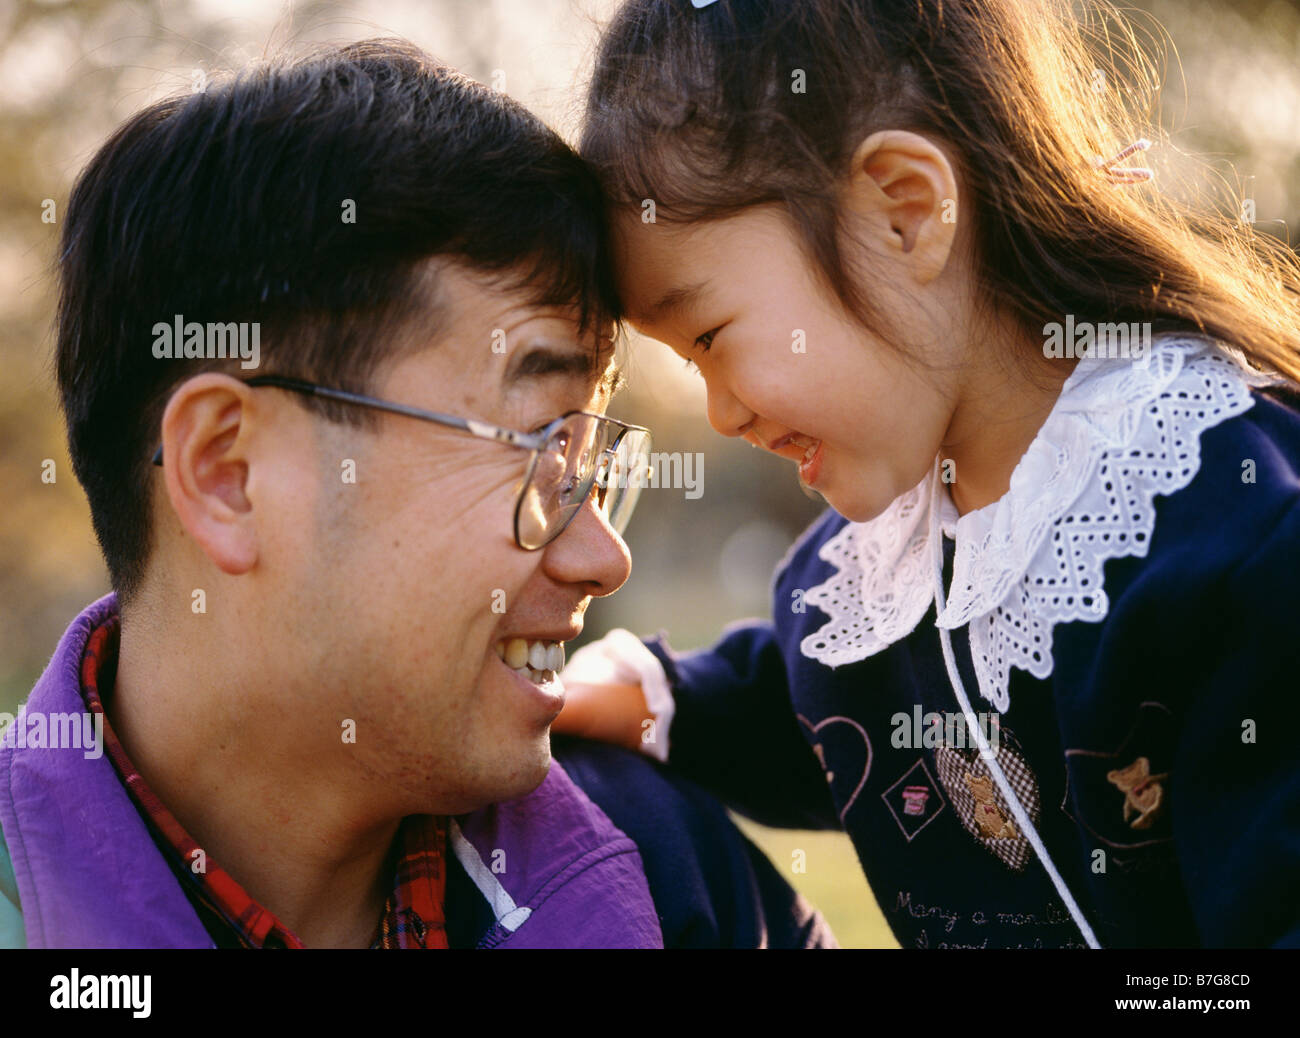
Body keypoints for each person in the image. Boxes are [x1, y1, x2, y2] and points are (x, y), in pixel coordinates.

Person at [0, 37, 834, 949]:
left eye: (589, 464)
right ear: (228, 474)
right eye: (538, 452)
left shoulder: (674, 875)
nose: (604, 557)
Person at [558, 0, 1300, 948]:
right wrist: (663, 702)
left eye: (710, 339)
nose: (722, 412)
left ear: (907, 213)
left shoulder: (1230, 525)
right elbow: (823, 724)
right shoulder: (863, 579)